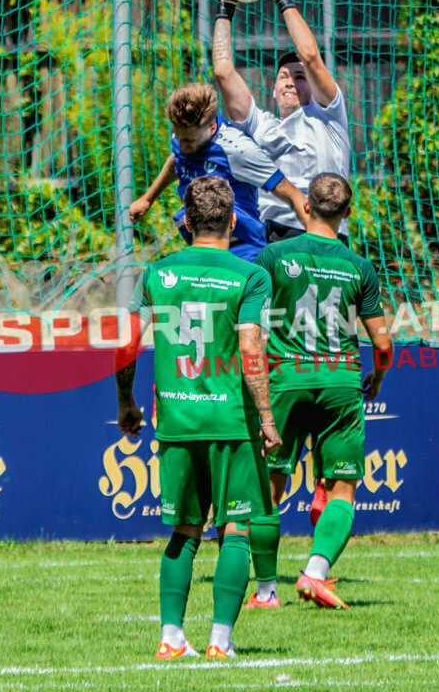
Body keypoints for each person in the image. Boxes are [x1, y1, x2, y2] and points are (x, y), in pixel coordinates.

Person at [115, 175, 282, 659]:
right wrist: (267, 417)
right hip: (231, 421)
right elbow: (251, 346)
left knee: (184, 530)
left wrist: (125, 401)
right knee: (237, 529)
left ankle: (170, 639)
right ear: (233, 221)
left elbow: (126, 341)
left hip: (177, 419)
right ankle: (219, 643)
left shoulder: (157, 273)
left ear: (185, 223)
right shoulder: (251, 276)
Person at [247, 173, 393, 610]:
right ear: (348, 213)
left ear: (305, 207)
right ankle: (315, 573)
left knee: (269, 487)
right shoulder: (358, 266)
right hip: (340, 383)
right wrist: (378, 378)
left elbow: (247, 323)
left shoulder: (273, 255)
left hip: (285, 382)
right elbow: (383, 344)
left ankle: (266, 591)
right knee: (343, 487)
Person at [212, 0, 353, 244]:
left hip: (326, 235)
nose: (290, 81)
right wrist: (225, 8)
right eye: (283, 77)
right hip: (275, 236)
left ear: (312, 86)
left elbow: (311, 56)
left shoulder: (328, 117)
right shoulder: (261, 125)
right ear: (273, 89)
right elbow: (223, 71)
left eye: (299, 77)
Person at [129, 82, 309, 262]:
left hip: (241, 251)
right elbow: (177, 159)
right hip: (199, 246)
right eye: (179, 138)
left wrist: (323, 241)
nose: (182, 146)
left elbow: (292, 194)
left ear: (212, 128)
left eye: (189, 141)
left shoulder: (238, 150)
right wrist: (148, 199)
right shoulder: (184, 131)